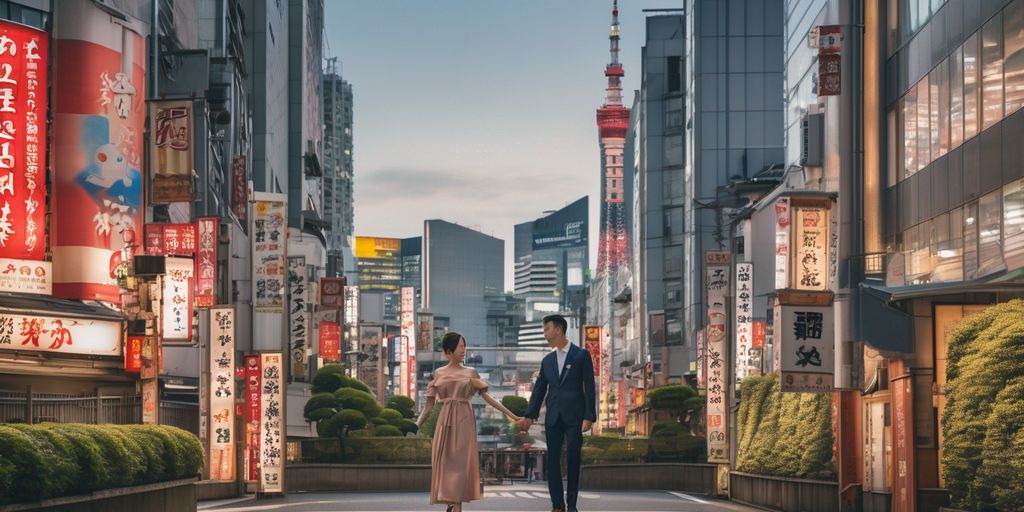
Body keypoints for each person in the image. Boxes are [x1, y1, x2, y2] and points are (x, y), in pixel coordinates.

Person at [417, 332, 522, 512]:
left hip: (464, 421)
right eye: (460, 346)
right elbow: (429, 406)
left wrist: (513, 416)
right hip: (444, 422)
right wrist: (415, 425)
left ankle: (456, 505)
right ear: (449, 351)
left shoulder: (470, 372)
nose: (464, 350)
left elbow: (489, 398)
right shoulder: (438, 373)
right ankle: (452, 503)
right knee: (444, 463)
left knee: (460, 464)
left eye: (464, 346)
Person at [517, 314, 597, 512]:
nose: (544, 333)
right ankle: (557, 505)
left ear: (559, 329)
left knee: (573, 460)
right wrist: (530, 414)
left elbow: (589, 387)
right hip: (553, 417)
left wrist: (589, 416)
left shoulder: (581, 355)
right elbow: (539, 390)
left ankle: (572, 505)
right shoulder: (547, 361)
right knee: (552, 462)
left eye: (546, 329)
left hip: (575, 417)